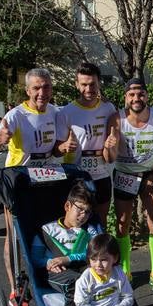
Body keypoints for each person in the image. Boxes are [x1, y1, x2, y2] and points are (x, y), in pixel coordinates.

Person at [0, 67, 63, 306]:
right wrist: (0, 139)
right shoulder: (16, 115)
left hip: (47, 180)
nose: (42, 92)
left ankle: (50, 280)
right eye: (37, 88)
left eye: (46, 87)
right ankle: (14, 289)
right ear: (28, 90)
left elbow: (55, 149)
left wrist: (64, 148)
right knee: (15, 236)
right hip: (17, 180)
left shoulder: (55, 112)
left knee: (49, 233)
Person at [112, 78, 153, 288]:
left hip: (148, 174)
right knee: (122, 224)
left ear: (147, 96)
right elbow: (108, 154)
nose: (137, 98)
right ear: (126, 97)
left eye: (141, 94)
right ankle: (126, 272)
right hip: (124, 174)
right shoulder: (116, 119)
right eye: (132, 95)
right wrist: (109, 147)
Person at [31, 180, 101, 306]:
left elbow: (96, 252)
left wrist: (68, 258)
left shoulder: (89, 230)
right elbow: (35, 257)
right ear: (67, 206)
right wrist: (48, 262)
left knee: (110, 273)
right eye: (80, 209)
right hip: (57, 273)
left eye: (88, 212)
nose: (83, 215)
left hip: (82, 267)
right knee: (77, 283)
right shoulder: (46, 230)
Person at [56, 62, 118, 228]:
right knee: (75, 223)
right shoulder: (66, 112)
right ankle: (74, 255)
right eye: (84, 84)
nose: (88, 89)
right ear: (77, 84)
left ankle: (97, 255)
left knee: (101, 223)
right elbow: (56, 150)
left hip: (102, 175)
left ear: (99, 83)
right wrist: (64, 147)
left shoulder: (108, 108)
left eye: (93, 84)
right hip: (76, 176)